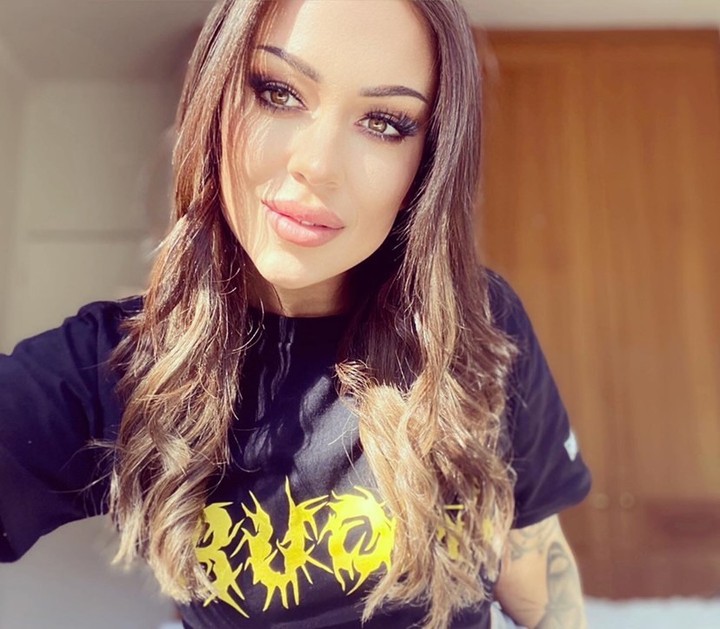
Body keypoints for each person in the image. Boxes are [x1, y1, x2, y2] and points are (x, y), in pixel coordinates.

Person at [0, 1, 592, 628]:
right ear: (214, 98)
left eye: (385, 123)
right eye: (277, 93)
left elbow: (535, 568)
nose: (318, 164)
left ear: (428, 162)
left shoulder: (480, 326)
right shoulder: (119, 365)